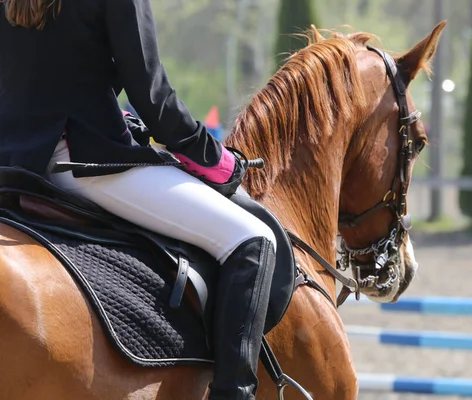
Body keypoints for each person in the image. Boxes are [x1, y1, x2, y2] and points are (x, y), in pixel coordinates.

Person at [0, 0, 277, 398]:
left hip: (17, 168)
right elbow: (151, 93)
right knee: (252, 239)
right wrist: (216, 158)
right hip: (85, 164)